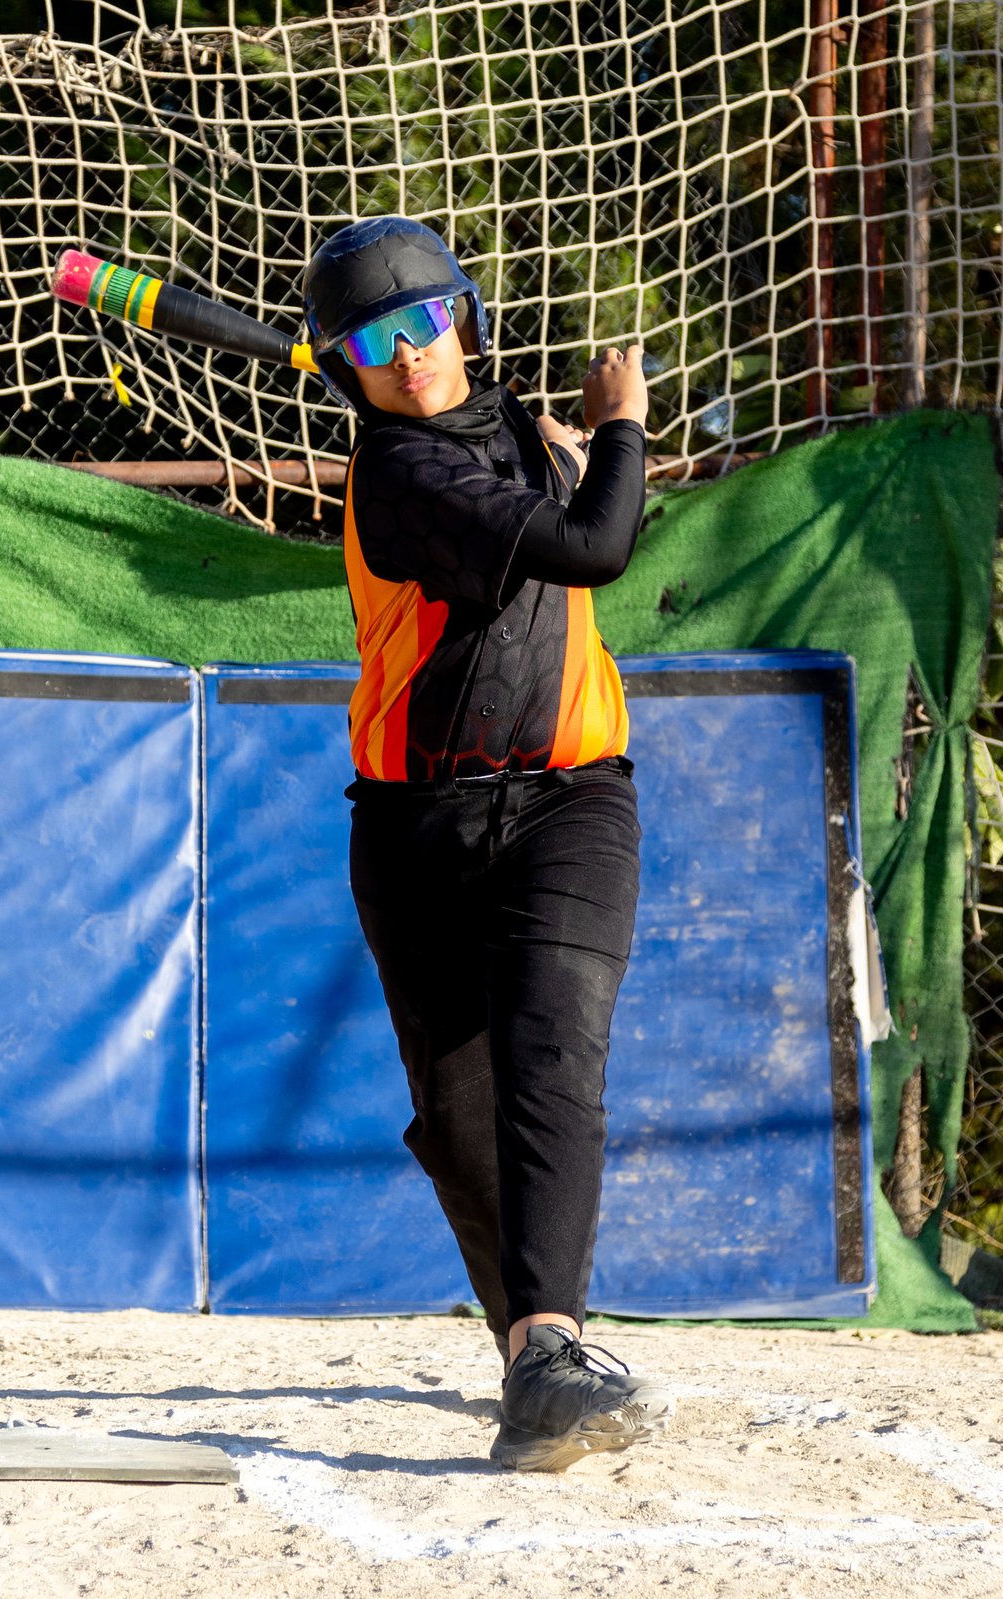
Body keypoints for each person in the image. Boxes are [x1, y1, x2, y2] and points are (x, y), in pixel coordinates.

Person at [304, 217, 673, 1471]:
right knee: (459, 1123)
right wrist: (618, 427)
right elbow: (595, 547)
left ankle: (550, 1353)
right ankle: (533, 1356)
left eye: (425, 323)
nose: (410, 358)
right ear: (343, 365)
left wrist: (559, 446)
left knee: (552, 1056)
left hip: (574, 798)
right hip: (420, 830)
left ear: (462, 316)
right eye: (372, 343)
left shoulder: (510, 424)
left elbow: (557, 488)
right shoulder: (402, 473)